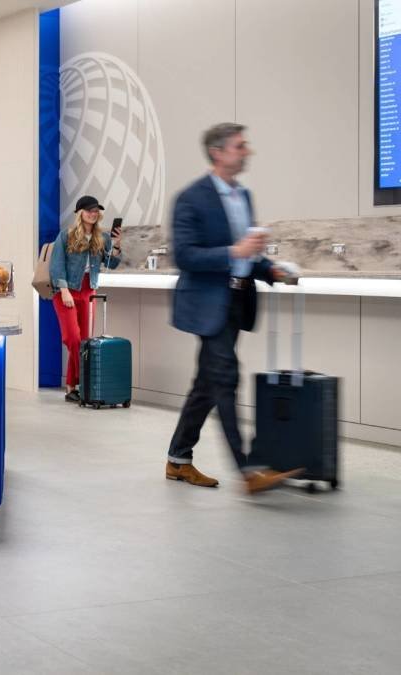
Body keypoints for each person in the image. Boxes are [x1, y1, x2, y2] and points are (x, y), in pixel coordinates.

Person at [165, 122, 302, 494]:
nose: (247, 151)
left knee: (207, 386)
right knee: (225, 378)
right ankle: (248, 470)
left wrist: (270, 270)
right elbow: (185, 255)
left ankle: (178, 459)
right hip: (208, 303)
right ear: (218, 152)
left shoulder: (243, 196)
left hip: (238, 300)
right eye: (240, 146)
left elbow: (247, 254)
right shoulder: (190, 198)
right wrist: (234, 252)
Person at [48, 195, 122, 402]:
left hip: (89, 291)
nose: (93, 213)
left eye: (96, 210)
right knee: (72, 338)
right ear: (80, 213)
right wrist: (64, 290)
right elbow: (56, 265)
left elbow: (112, 264)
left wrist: (116, 245)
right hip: (67, 290)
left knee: (83, 341)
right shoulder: (67, 235)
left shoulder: (102, 237)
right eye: (89, 210)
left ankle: (72, 388)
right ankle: (85, 380)